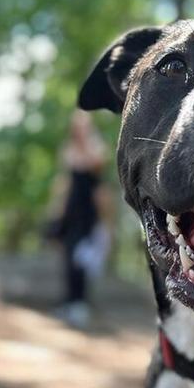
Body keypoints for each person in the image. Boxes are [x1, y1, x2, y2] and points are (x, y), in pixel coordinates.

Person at [46, 110, 112, 328]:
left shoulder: (95, 146)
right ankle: (69, 301)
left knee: (82, 257)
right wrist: (56, 210)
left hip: (88, 213)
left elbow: (96, 166)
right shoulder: (68, 149)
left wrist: (106, 220)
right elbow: (64, 182)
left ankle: (79, 304)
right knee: (67, 255)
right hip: (70, 211)